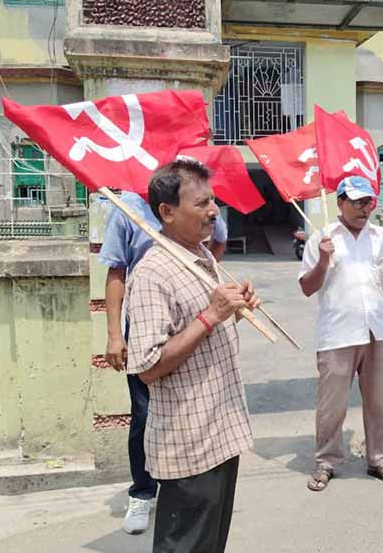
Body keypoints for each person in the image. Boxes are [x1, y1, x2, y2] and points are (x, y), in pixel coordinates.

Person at [126, 159, 257, 553]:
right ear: (167, 212)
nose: (214, 211)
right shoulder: (153, 272)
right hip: (189, 441)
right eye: (201, 204)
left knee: (210, 544)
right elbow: (148, 367)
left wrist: (234, 308)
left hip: (220, 430)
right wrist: (211, 315)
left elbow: (207, 331)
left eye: (212, 201)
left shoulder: (201, 255)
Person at [100, 190, 228, 535]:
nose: (211, 210)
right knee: (145, 412)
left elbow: (214, 248)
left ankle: (191, 485)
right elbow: (117, 270)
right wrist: (115, 334)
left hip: (194, 315)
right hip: (147, 321)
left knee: (197, 406)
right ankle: (143, 492)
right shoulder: (127, 207)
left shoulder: (193, 197)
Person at [300, 176, 383, 492]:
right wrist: (323, 259)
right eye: (358, 201)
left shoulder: (382, 236)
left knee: (380, 402)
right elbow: (307, 287)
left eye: (369, 201)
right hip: (338, 332)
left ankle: (380, 460)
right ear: (341, 203)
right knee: (332, 403)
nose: (365, 208)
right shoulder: (323, 238)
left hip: (377, 329)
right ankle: (327, 461)